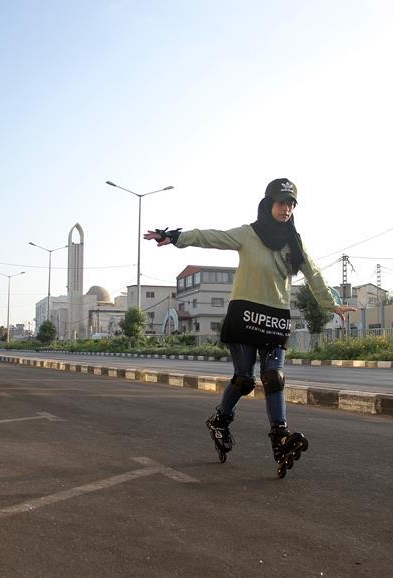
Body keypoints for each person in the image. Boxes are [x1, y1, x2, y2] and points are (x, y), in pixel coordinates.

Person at [144, 178, 355, 477]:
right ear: (269, 204)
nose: (287, 209)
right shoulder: (248, 234)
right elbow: (211, 237)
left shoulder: (294, 242)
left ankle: (280, 436)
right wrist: (176, 237)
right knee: (244, 380)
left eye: (292, 204)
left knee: (273, 376)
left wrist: (331, 303)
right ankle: (220, 420)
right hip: (244, 313)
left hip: (276, 315)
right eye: (282, 203)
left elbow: (314, 273)